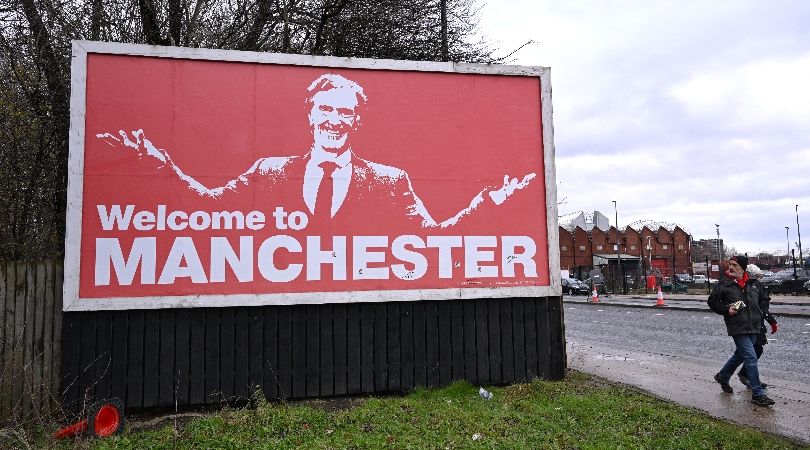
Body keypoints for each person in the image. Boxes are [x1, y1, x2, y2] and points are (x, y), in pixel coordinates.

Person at [97, 73, 535, 229]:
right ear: (310, 115)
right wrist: (163, 166)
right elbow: (210, 209)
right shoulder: (269, 171)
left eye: (344, 113)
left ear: (357, 121)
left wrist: (487, 202)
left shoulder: (389, 180)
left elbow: (433, 238)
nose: (333, 120)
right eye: (325, 109)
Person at [707, 255, 775, 406]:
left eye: (735, 265)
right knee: (750, 357)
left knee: (740, 355)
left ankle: (723, 376)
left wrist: (768, 319)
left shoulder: (752, 284)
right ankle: (757, 393)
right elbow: (712, 302)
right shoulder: (724, 284)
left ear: (743, 268)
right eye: (730, 264)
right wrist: (726, 310)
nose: (730, 267)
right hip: (738, 327)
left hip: (754, 326)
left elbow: (761, 302)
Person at [736, 264, 779, 388]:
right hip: (748, 324)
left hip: (756, 323)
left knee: (750, 351)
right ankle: (748, 378)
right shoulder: (745, 286)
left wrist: (772, 321)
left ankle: (729, 375)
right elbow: (740, 304)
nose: (758, 280)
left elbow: (762, 307)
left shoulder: (756, 286)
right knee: (753, 351)